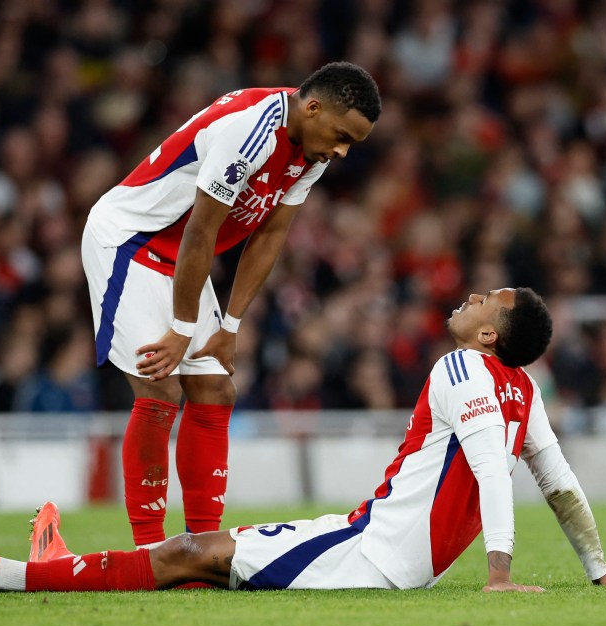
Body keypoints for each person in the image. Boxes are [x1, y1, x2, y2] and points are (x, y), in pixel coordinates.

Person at [0, 288, 606, 593]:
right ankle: (62, 566)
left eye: (483, 300)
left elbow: (496, 473)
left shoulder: (462, 365)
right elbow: (559, 484)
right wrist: (598, 570)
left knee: (193, 549)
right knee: (201, 566)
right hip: (376, 545)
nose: (468, 298)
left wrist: (498, 577)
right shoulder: (524, 392)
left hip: (369, 553)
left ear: (491, 334)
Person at [80, 61, 382, 546]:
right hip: (130, 242)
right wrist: (181, 328)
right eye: (342, 135)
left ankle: (202, 550)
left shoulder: (313, 152)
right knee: (161, 389)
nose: (342, 150)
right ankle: (151, 550)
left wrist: (232, 324)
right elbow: (203, 228)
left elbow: (269, 234)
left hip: (178, 258)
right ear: (313, 107)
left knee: (216, 391)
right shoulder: (250, 129)